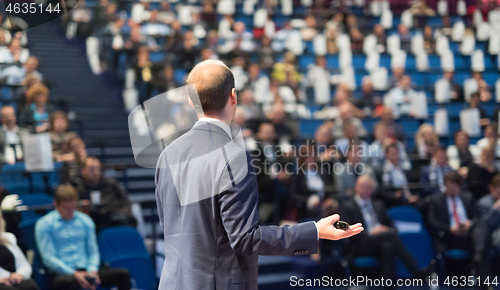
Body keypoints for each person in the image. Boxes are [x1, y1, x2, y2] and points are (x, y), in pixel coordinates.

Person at [154, 60, 363, 289]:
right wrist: (313, 231)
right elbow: (246, 239)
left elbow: (170, 222)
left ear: (191, 102)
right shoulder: (234, 156)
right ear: (233, 96)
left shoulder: (167, 154)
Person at [35, 185, 131, 290]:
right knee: (67, 282)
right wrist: (74, 273)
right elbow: (49, 258)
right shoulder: (44, 224)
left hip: (87, 268)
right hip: (63, 272)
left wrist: (92, 270)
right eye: (66, 208)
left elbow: (93, 251)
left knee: (123, 274)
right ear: (56, 205)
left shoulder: (85, 221)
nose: (70, 211)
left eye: (73, 207)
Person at [340, 175, 425, 280]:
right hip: (360, 243)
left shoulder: (378, 205)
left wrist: (386, 230)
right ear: (356, 187)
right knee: (389, 236)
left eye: (368, 187)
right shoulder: (347, 206)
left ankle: (388, 285)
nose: (365, 189)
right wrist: (372, 232)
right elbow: (346, 230)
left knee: (387, 246)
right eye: (362, 186)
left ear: (372, 190)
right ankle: (414, 269)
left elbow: (393, 227)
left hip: (381, 241)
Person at [76, 157, 136, 232]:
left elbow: (125, 201)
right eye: (91, 169)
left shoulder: (110, 183)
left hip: (113, 219)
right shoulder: (79, 189)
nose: (95, 173)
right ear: (83, 171)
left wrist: (123, 215)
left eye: (97, 169)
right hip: (92, 222)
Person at [428, 172, 474, 254]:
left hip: (467, 234)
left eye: (454, 187)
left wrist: (470, 223)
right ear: (445, 186)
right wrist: (449, 229)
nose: (452, 190)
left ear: (460, 186)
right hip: (448, 235)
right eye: (449, 187)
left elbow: (477, 217)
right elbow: (432, 222)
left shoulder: (468, 198)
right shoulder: (436, 200)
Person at [0, 210, 40, 290]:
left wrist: (19, 274)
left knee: (30, 286)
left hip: (12, 279)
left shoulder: (9, 238)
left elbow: (24, 264)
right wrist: (5, 277)